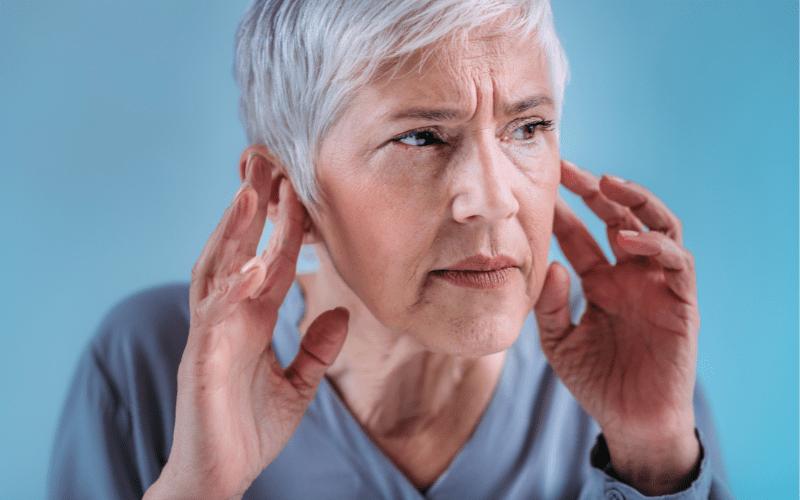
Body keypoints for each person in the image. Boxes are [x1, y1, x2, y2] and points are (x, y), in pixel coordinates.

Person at [48, 0, 735, 498]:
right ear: (294, 195)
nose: (494, 200)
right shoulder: (152, 362)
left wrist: (653, 460)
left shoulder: (628, 348)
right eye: (422, 138)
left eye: (527, 127)